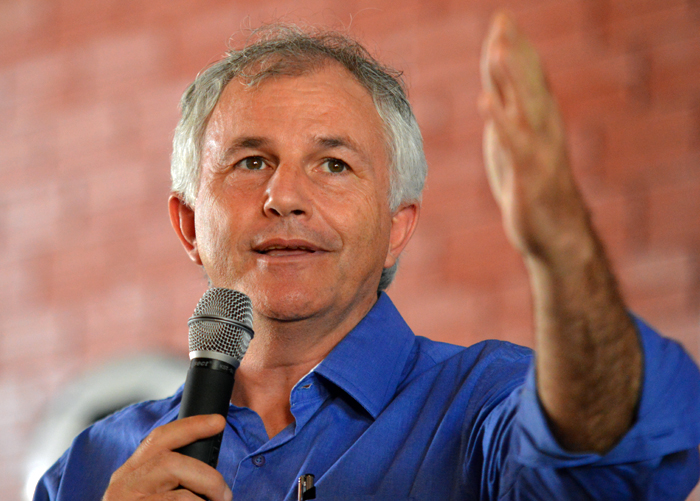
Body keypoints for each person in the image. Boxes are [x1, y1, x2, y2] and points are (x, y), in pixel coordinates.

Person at [34, 12, 700, 501]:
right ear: (188, 226)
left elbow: (609, 454)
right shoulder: (88, 472)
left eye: (333, 163)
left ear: (396, 226)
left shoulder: (486, 407)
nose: (284, 195)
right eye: (251, 161)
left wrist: (562, 250)